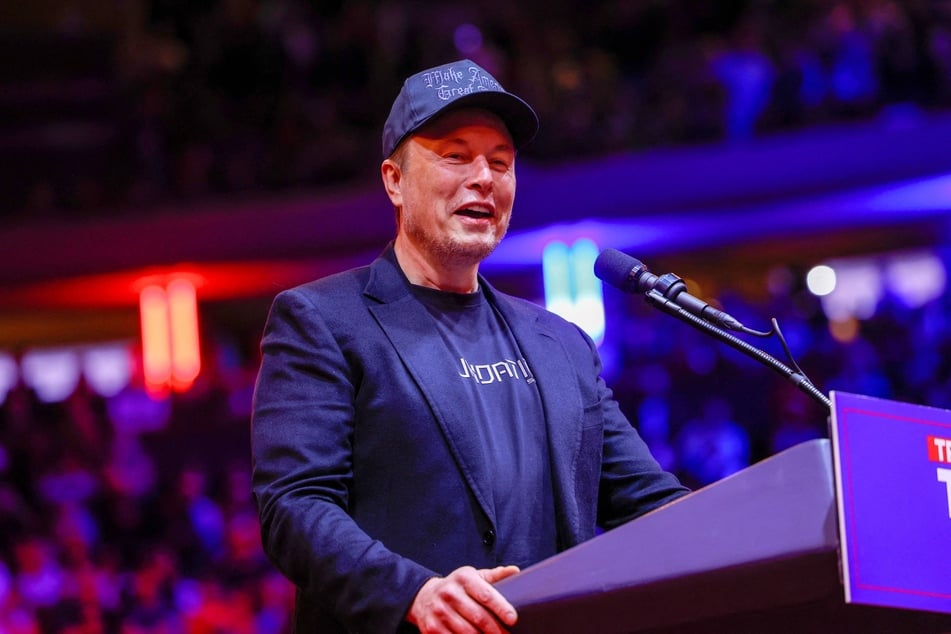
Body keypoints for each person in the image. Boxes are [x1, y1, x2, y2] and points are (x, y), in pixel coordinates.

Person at [251, 58, 689, 634]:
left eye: (501, 162)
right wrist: (415, 593)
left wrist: (773, 516)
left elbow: (648, 502)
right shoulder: (322, 320)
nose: (484, 176)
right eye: (455, 155)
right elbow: (295, 506)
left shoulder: (561, 343)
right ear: (394, 180)